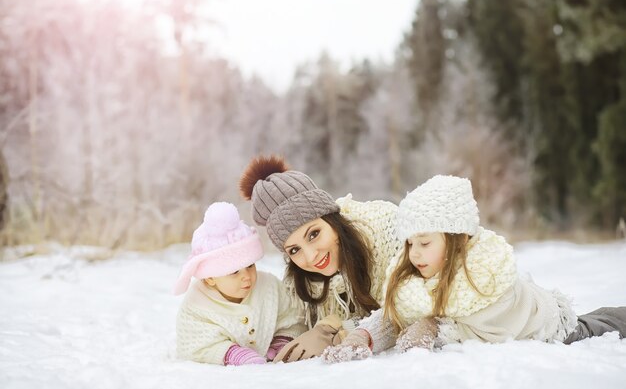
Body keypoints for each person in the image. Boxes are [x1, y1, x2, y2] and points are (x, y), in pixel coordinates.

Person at [322, 175, 626, 363]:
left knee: (599, 326)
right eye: (410, 244)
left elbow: (487, 326)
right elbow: (396, 317)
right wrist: (364, 336)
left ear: (458, 239)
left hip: (549, 325)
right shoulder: (417, 276)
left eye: (425, 243)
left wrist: (435, 328)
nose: (414, 254)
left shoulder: (487, 275)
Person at [239, 155, 403, 362]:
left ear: (332, 219)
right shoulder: (298, 286)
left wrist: (342, 332)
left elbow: (406, 308)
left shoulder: (384, 231)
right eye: (294, 250)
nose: (311, 256)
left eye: (314, 234)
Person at [174, 202, 306, 365]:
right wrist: (231, 353)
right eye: (234, 272)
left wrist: (283, 339)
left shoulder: (270, 286)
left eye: (250, 266)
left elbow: (292, 316)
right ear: (210, 278)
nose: (247, 276)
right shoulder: (197, 305)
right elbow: (194, 343)